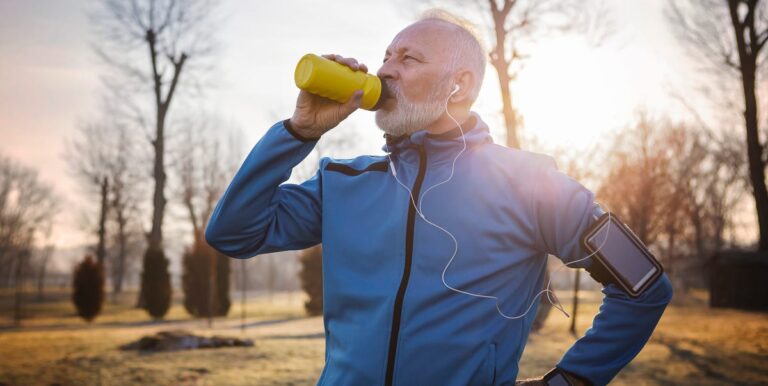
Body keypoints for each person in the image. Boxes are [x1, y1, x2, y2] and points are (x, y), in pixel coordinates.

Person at [205, 11, 673, 386]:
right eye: (386, 56)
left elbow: (645, 286)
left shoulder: (531, 182)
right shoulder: (343, 182)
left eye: (408, 59)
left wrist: (572, 380)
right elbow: (233, 232)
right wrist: (298, 133)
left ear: (460, 84)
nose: (385, 69)